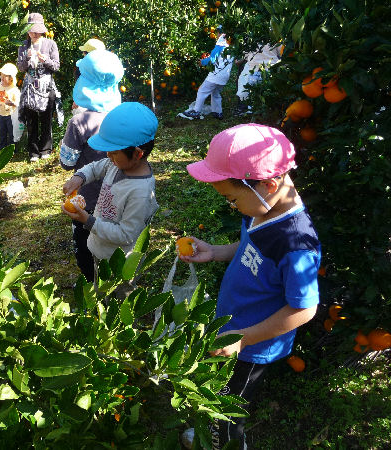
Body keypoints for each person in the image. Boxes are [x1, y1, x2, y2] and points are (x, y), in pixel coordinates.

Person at [180, 124, 321, 449]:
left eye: (232, 198)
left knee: (228, 409)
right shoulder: (261, 210)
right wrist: (216, 252)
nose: (233, 206)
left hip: (253, 347)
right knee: (217, 391)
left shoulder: (295, 244)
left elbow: (304, 308)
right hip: (235, 330)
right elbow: (247, 247)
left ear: (269, 184)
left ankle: (226, 443)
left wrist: (243, 340)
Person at [61, 102, 159, 281]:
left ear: (137, 154)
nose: (108, 156)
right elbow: (98, 166)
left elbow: (126, 234)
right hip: (100, 247)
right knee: (100, 290)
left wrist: (87, 220)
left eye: (113, 153)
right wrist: (80, 177)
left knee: (120, 297)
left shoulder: (141, 192)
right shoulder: (116, 164)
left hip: (122, 262)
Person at [60, 49, 124, 282]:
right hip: (118, 197)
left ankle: (91, 285)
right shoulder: (119, 114)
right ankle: (114, 279)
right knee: (112, 243)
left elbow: (67, 162)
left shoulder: (80, 121)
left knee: (86, 246)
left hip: (87, 200)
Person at [17, 13, 61, 162]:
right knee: (31, 120)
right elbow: (21, 68)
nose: (33, 34)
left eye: (36, 31)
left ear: (41, 31)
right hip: (30, 87)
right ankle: (33, 152)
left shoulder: (50, 44)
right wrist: (28, 58)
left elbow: (56, 66)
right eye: (31, 30)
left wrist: (46, 60)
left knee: (46, 119)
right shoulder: (23, 45)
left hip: (46, 87)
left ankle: (45, 149)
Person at [179, 29, 234, 121]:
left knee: (202, 91)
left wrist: (202, 62)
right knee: (216, 93)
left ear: (221, 34)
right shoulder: (231, 46)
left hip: (216, 75)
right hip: (225, 75)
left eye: (217, 33)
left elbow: (212, 59)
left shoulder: (220, 45)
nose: (216, 35)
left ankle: (196, 111)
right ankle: (218, 112)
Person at [234, 44, 281, 115]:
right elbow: (281, 53)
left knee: (249, 91)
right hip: (271, 69)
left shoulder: (251, 39)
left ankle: (245, 108)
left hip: (254, 70)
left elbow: (243, 57)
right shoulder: (275, 37)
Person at [0, 63, 21, 149]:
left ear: (11, 78)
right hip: (1, 113)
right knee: (2, 130)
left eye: (5, 76)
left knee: (11, 131)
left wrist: (12, 103)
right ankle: (2, 145)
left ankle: (12, 147)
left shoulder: (14, 89)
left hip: (11, 114)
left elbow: (18, 103)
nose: (2, 77)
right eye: (2, 74)